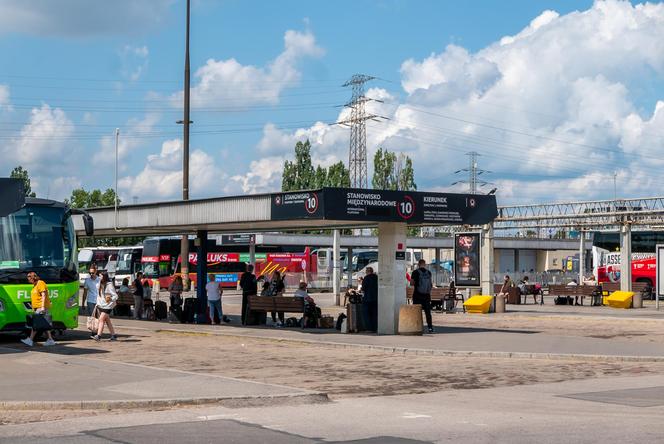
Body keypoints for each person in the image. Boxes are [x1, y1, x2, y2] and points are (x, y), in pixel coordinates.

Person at [21, 272, 56, 347]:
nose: (28, 281)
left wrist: (42, 307)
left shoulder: (40, 283)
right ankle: (50, 340)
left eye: (29, 279)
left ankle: (30, 340)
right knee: (43, 324)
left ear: (33, 278)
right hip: (38, 307)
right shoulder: (34, 285)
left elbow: (43, 295)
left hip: (41, 307)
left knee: (36, 324)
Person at [91, 272, 118, 341]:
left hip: (108, 305)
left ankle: (98, 335)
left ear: (104, 277)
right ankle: (113, 335)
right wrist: (97, 304)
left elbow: (115, 296)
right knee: (107, 320)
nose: (99, 277)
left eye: (101, 276)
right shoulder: (99, 284)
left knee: (101, 319)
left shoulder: (109, 285)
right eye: (99, 276)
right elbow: (98, 295)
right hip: (101, 305)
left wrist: (110, 298)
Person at [410, 259, 434, 333]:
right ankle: (430, 327)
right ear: (425, 264)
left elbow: (411, 283)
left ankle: (416, 327)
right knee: (428, 313)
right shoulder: (429, 273)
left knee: (417, 312)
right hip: (426, 296)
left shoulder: (415, 272)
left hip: (417, 295)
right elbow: (431, 285)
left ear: (418, 264)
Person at [361, 266, 378, 332]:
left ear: (367, 272)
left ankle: (369, 328)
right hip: (375, 298)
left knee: (367, 314)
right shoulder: (376, 277)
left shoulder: (366, 278)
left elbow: (363, 288)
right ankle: (375, 328)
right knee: (374, 314)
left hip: (367, 299)